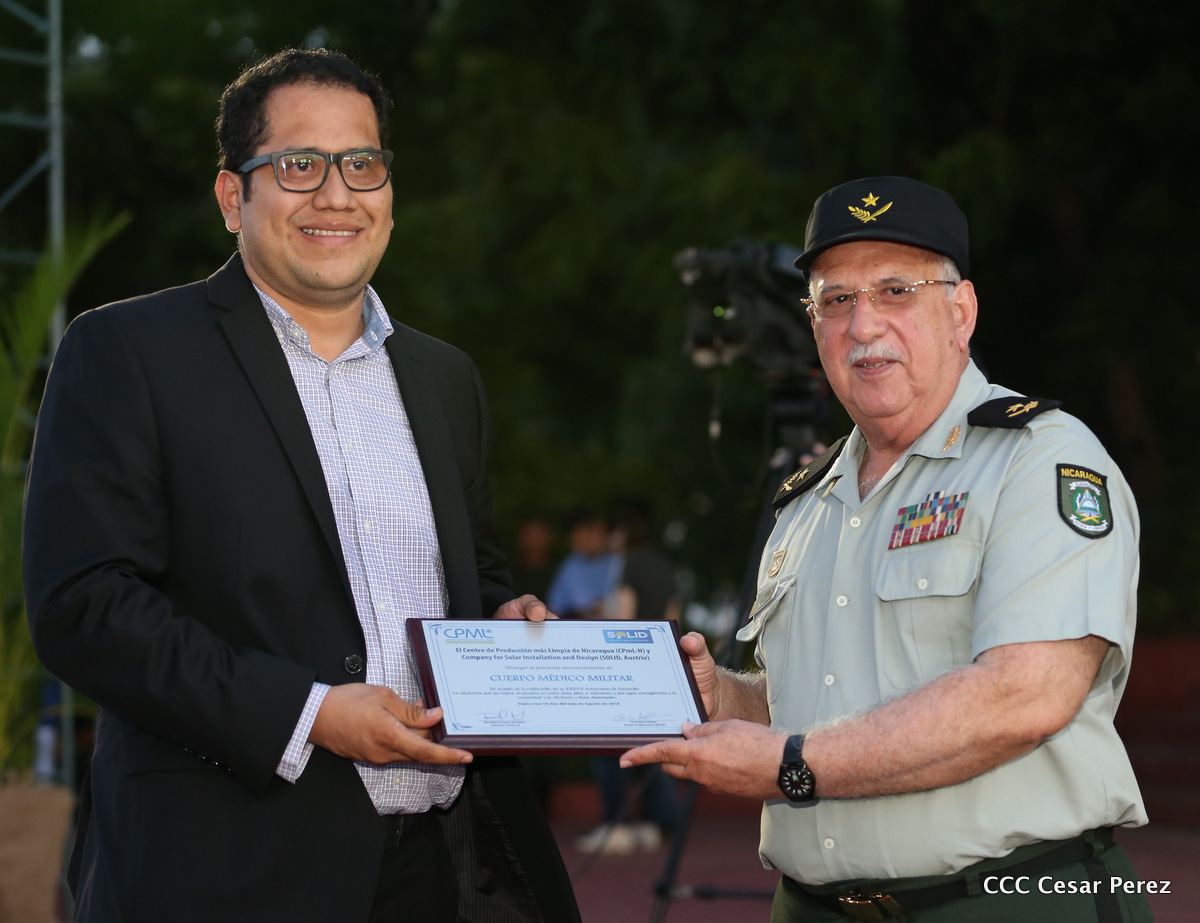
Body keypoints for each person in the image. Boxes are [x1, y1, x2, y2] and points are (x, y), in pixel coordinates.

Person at [22, 48, 578, 923]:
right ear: (231, 196)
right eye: (298, 165)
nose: (336, 194)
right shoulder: (128, 352)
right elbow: (83, 606)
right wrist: (309, 712)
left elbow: (474, 574)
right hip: (224, 868)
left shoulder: (445, 378)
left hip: (438, 868)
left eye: (361, 163)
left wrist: (502, 625)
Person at [623, 176, 1150, 922]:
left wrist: (791, 765)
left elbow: (1026, 695)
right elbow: (815, 699)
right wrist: (720, 698)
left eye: (896, 291)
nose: (863, 325)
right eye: (836, 299)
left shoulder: (1039, 460)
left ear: (960, 312)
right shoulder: (806, 502)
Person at [544, 509, 622, 619]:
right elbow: (555, 605)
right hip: (573, 621)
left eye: (591, 533)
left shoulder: (617, 562)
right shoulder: (571, 562)